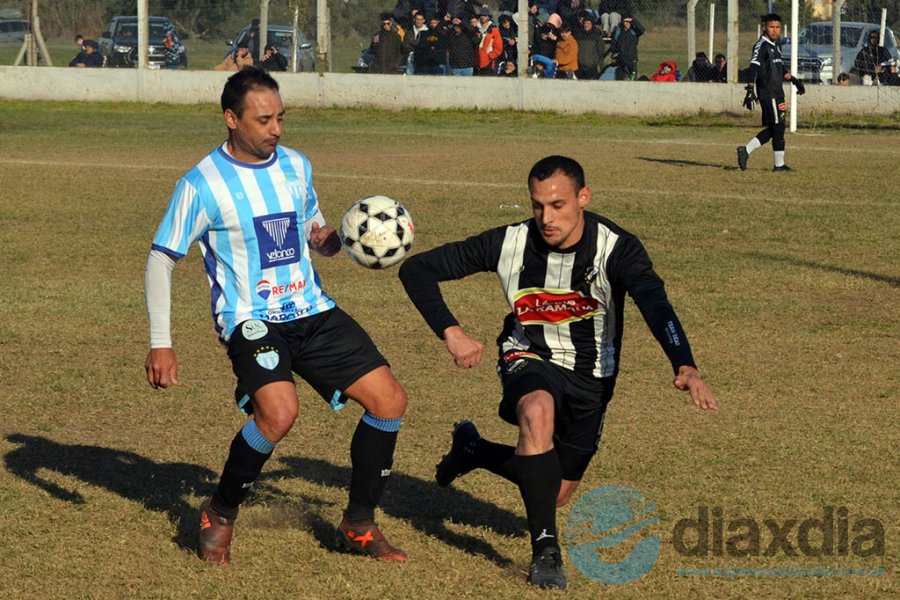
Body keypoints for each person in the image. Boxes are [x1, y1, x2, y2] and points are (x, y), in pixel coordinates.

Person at [398, 155, 718, 590]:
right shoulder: (509, 242)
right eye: (537, 206)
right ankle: (546, 553)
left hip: (592, 375)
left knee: (557, 492)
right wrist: (451, 333)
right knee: (537, 412)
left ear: (583, 198)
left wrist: (685, 363)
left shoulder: (616, 248)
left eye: (558, 205)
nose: (546, 217)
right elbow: (417, 269)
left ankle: (473, 450)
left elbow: (655, 304)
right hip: (529, 355)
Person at [144, 67, 410, 567]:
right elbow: (162, 258)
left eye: (281, 118)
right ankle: (219, 513)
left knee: (389, 401)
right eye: (264, 119)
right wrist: (162, 340)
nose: (277, 129)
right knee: (278, 414)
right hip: (251, 319)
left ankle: (357, 524)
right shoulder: (201, 184)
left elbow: (309, 222)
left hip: (311, 307)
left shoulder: (294, 164)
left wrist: (331, 240)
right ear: (231, 119)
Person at [736, 13, 805, 173]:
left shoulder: (776, 45)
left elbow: (780, 68)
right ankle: (778, 165)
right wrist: (750, 89)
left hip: (777, 92)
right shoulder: (761, 45)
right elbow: (753, 66)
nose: (774, 30)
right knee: (778, 128)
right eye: (771, 27)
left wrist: (794, 80)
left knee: (776, 129)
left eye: (777, 27)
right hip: (768, 92)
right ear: (764, 27)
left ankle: (745, 151)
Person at [608, 14, 643, 80]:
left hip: (632, 60)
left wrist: (633, 20)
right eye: (625, 21)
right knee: (620, 78)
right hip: (620, 60)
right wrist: (614, 54)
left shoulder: (634, 31)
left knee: (632, 79)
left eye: (629, 22)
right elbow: (613, 44)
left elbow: (642, 30)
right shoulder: (618, 31)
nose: (627, 23)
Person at [573, 15, 605, 80]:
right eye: (585, 23)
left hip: (592, 68)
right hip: (579, 68)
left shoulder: (597, 35)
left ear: (592, 24)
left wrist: (601, 67)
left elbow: (601, 52)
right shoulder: (578, 34)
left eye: (588, 23)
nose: (586, 25)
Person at [475, 6, 503, 76]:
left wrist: (490, 56)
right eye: (481, 15)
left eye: (485, 15)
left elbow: (499, 47)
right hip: (476, 60)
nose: (482, 17)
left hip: (488, 62)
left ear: (488, 17)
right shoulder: (476, 29)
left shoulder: (494, 30)